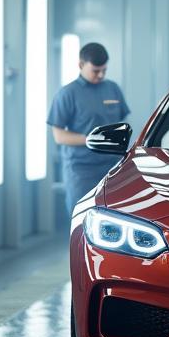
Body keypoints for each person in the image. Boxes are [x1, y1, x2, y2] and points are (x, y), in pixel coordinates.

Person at [48, 42, 130, 217]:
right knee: (82, 219)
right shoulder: (67, 94)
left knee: (115, 221)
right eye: (95, 71)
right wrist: (89, 139)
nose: (100, 75)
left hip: (112, 168)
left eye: (104, 70)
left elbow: (121, 122)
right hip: (81, 170)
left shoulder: (113, 89)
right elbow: (58, 135)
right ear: (81, 65)